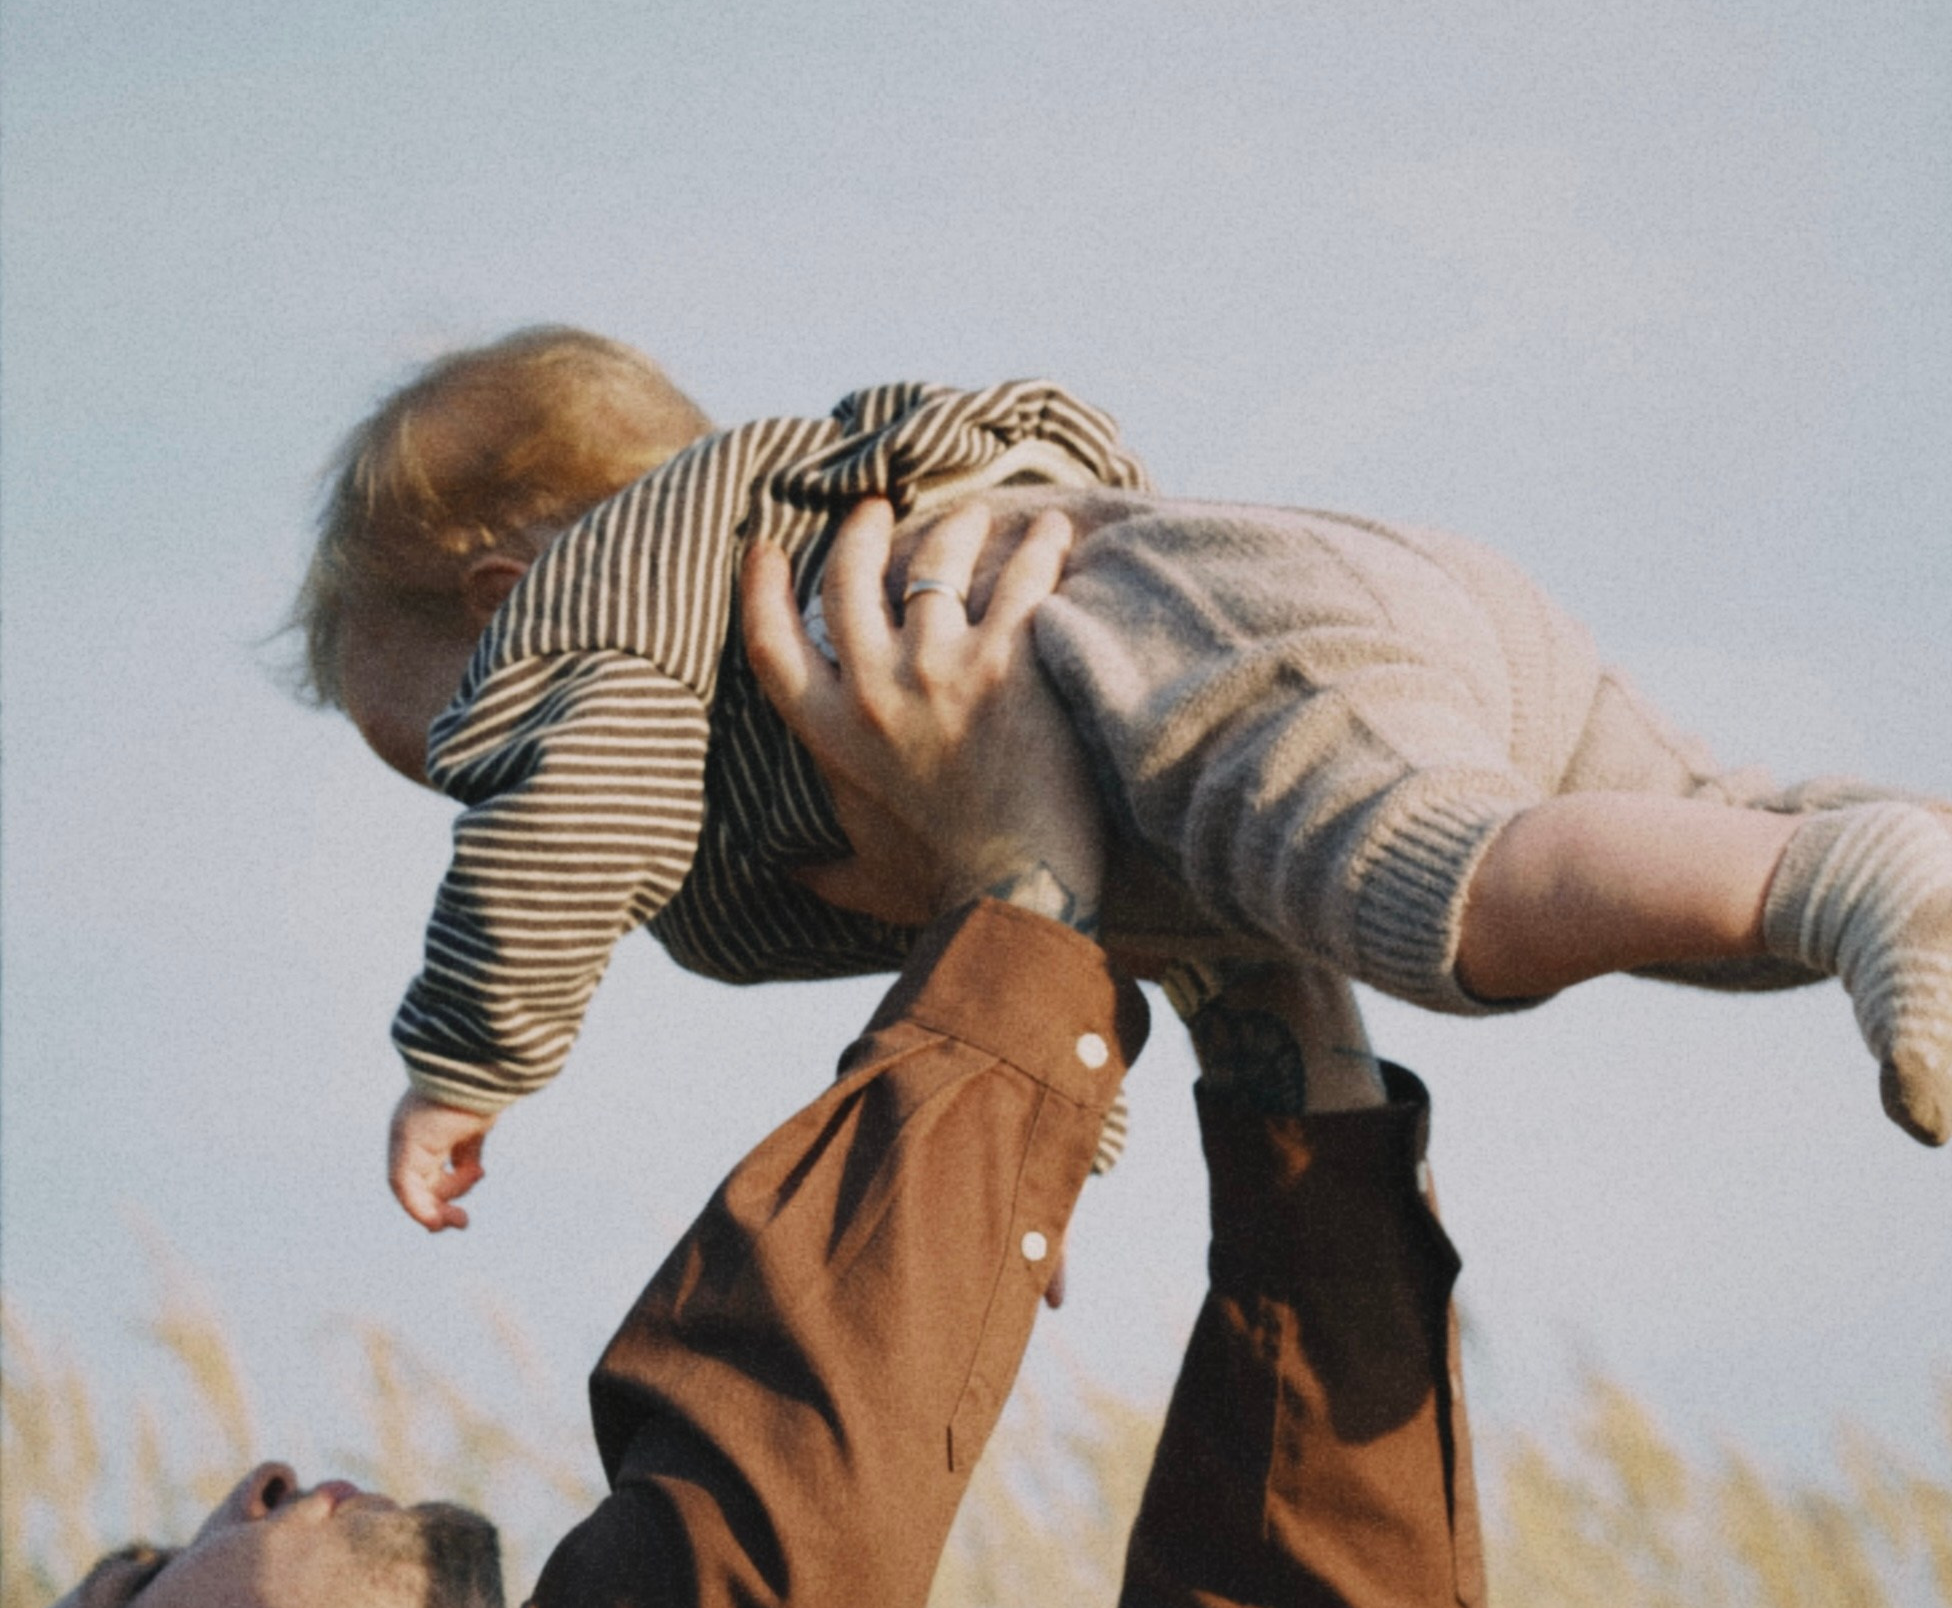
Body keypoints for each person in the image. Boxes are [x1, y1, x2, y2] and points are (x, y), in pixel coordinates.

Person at [3, 508, 1486, 1608]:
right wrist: (1017, 904)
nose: (248, 1479)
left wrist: (1279, 1044)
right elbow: (761, 1569)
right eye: (135, 1571)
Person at [282, 327, 1952, 1233]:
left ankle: (1866, 883)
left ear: (505, 599)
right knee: (1689, 858)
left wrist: (467, 1061)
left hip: (1180, 638)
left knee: (1452, 891)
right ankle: (1886, 876)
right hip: (1339, 596)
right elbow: (1061, 930)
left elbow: (577, 815)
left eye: (443, 755)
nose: (480, 792)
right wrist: (1043, 1160)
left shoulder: (606, 624)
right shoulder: (786, 558)